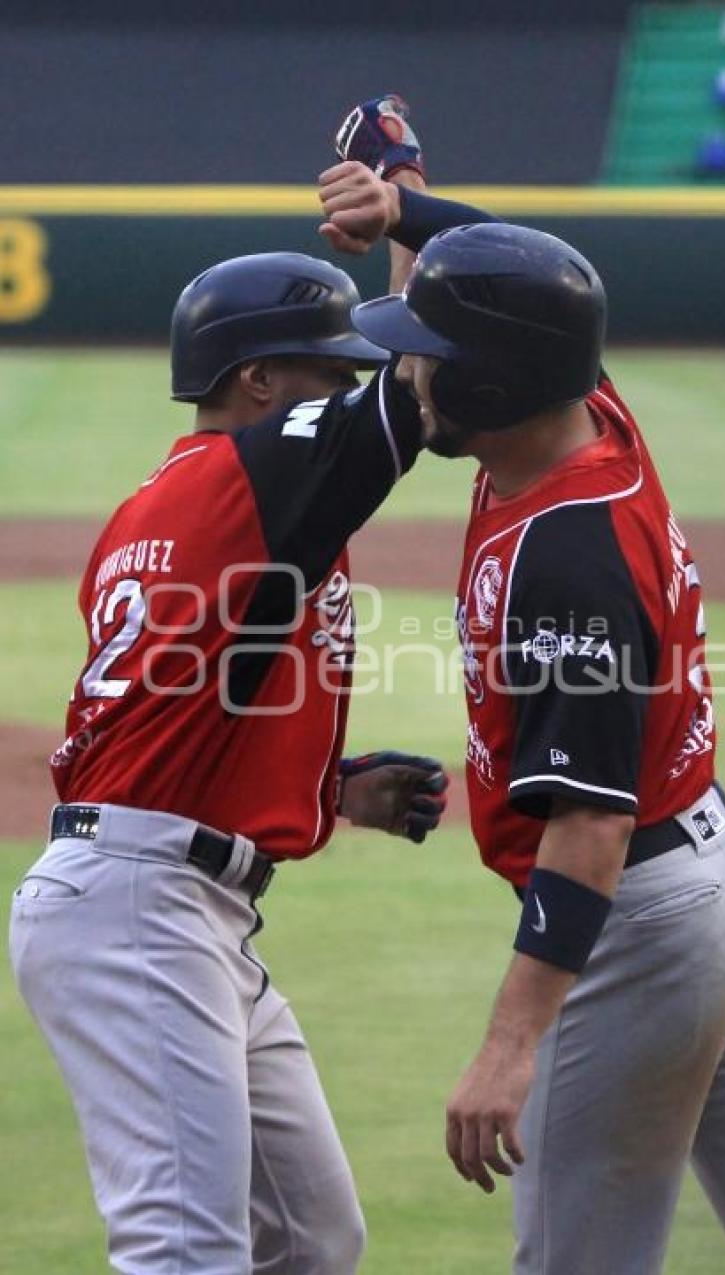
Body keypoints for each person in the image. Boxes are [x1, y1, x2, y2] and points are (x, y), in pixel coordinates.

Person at [322, 99, 725, 1274]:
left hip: (649, 924)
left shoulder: (566, 559)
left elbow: (589, 827)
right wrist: (402, 197)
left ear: (488, 388)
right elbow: (523, 285)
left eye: (427, 354)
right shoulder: (581, 411)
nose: (408, 368)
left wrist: (510, 1048)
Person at [8, 190, 449, 1271]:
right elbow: (420, 380)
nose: (342, 387)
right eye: (323, 371)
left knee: (310, 1240)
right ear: (257, 381)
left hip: (165, 893)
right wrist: (410, 215)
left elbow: (182, 711)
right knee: (186, 1248)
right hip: (141, 909)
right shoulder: (243, 483)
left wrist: (326, 788)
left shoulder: (175, 503)